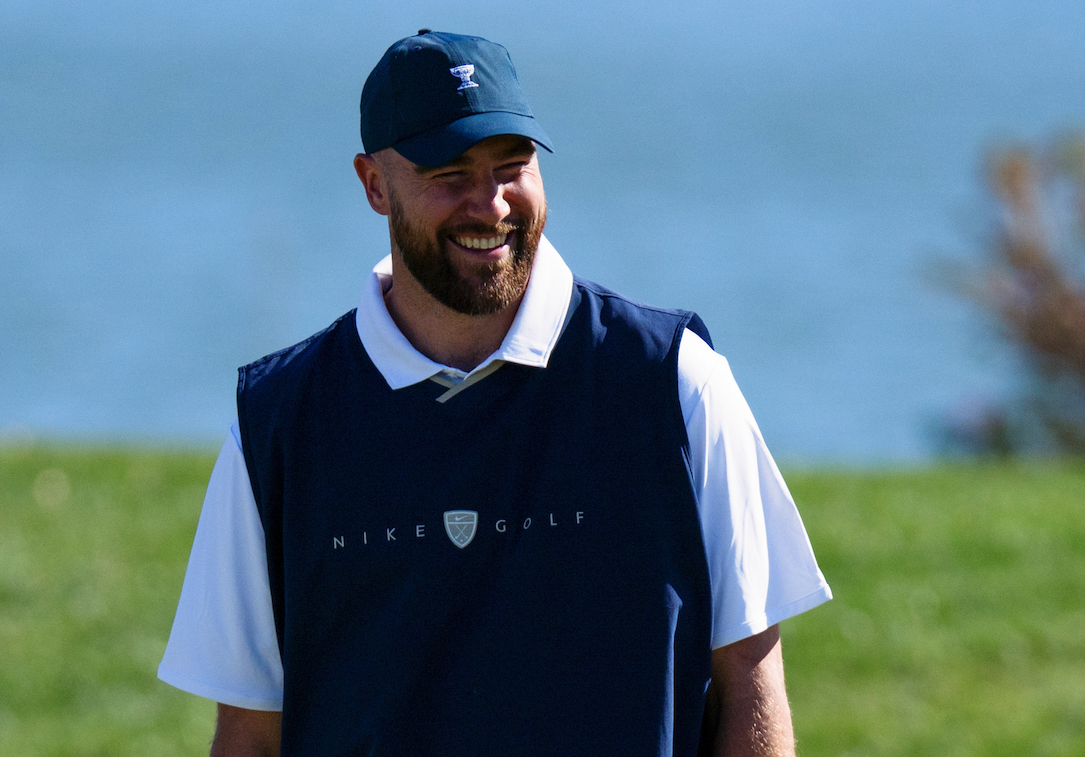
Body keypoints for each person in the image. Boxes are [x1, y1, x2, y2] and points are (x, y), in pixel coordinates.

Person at [158, 30, 832, 757]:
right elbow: (251, 732)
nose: (491, 203)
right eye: (449, 172)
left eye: (512, 166)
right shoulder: (277, 423)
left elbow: (749, 682)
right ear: (373, 183)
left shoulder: (674, 380)